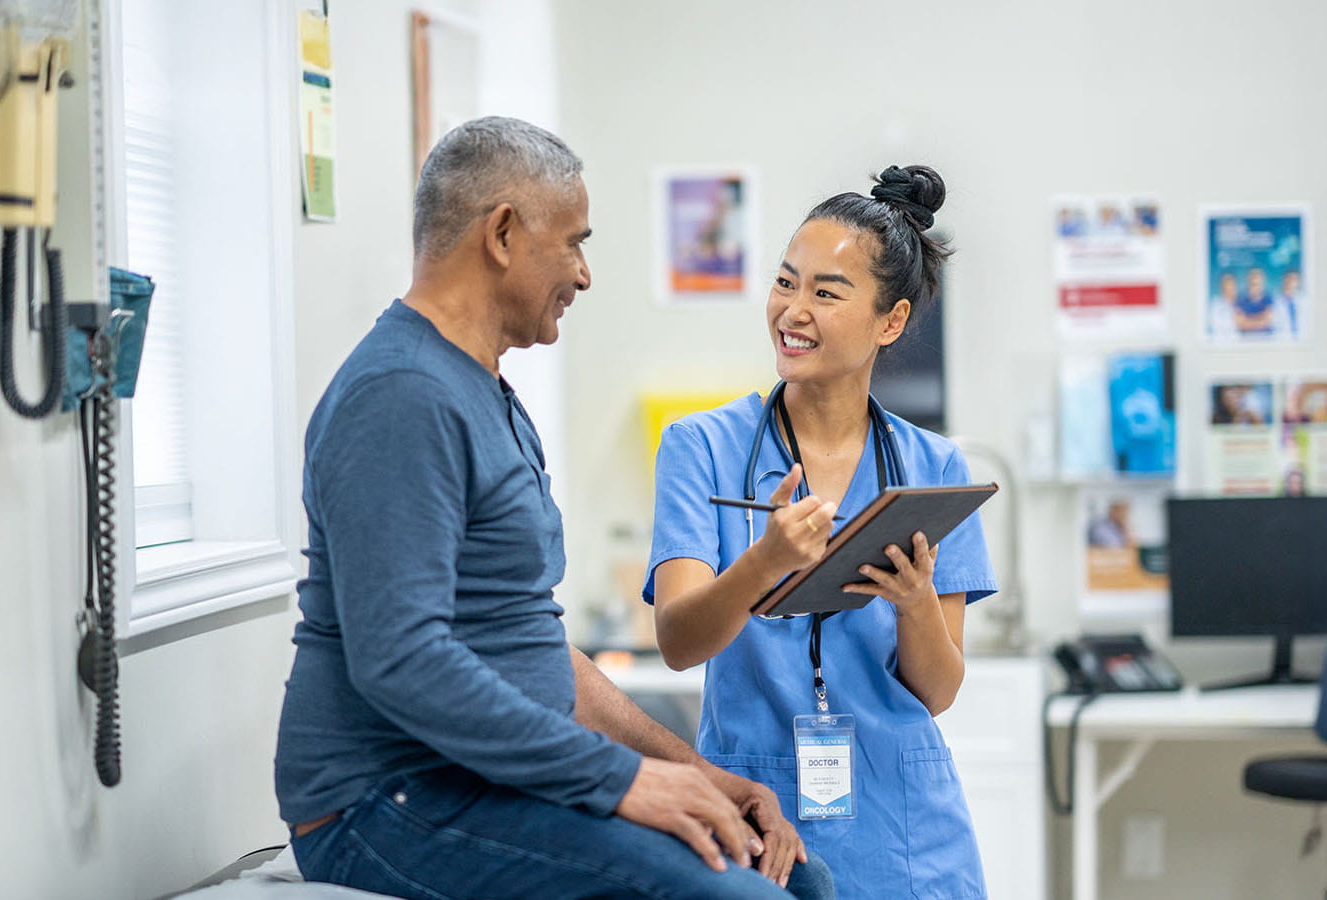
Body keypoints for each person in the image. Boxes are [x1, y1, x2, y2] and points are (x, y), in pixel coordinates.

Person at [274, 117, 833, 900]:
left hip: (478, 780)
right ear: (502, 233)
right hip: (384, 801)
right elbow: (400, 661)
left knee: (801, 879)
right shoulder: (400, 397)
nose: (584, 273)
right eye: (574, 242)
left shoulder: (485, 392)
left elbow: (535, 650)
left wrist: (696, 775)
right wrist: (620, 782)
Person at [645, 164, 998, 899]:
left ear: (890, 321)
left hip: (907, 826)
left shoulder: (932, 468)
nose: (792, 311)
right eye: (785, 282)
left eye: (826, 293)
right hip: (756, 814)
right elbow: (679, 643)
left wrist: (914, 603)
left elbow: (937, 691)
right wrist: (764, 562)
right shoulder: (700, 448)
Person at [1234, 267, 1276, 335]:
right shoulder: (1240, 299)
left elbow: (1268, 321)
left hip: (1266, 339)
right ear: (1248, 280)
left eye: (1257, 276)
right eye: (1252, 276)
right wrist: (1261, 318)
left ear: (1262, 280)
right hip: (1246, 341)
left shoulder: (1269, 299)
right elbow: (1240, 324)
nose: (1255, 278)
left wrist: (1247, 320)